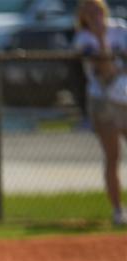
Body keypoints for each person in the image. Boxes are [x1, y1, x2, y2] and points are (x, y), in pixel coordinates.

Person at [74, 0, 127, 227]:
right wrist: (101, 38)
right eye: (89, 11)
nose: (95, 14)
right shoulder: (84, 39)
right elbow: (104, 72)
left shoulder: (121, 29)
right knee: (113, 156)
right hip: (103, 101)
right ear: (82, 17)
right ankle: (118, 211)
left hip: (125, 96)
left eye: (97, 8)